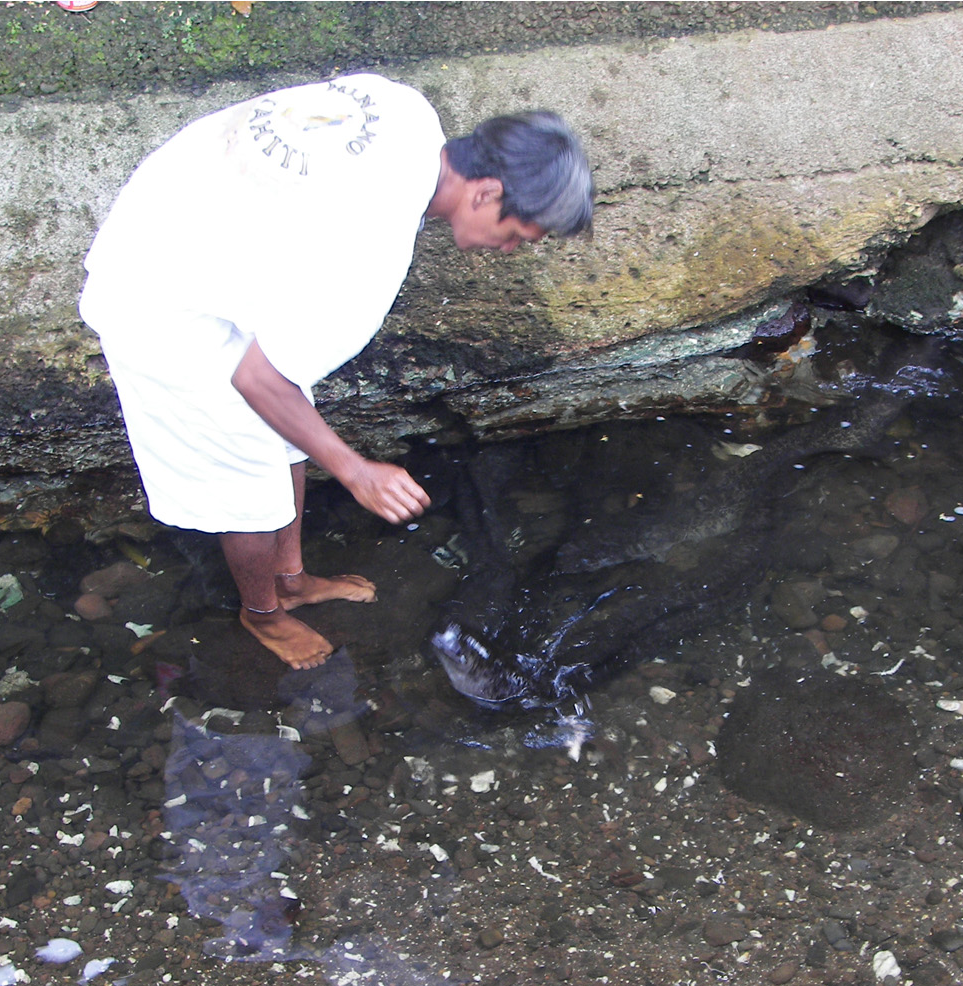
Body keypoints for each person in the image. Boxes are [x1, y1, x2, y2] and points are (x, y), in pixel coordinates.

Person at [79, 75, 593, 669]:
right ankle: (264, 613)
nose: (507, 251)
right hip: (157, 298)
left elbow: (281, 380)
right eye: (516, 236)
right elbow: (258, 382)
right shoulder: (366, 259)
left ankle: (291, 578)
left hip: (183, 211)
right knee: (245, 478)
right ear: (484, 194)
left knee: (287, 421)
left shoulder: (408, 110)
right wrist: (356, 471)